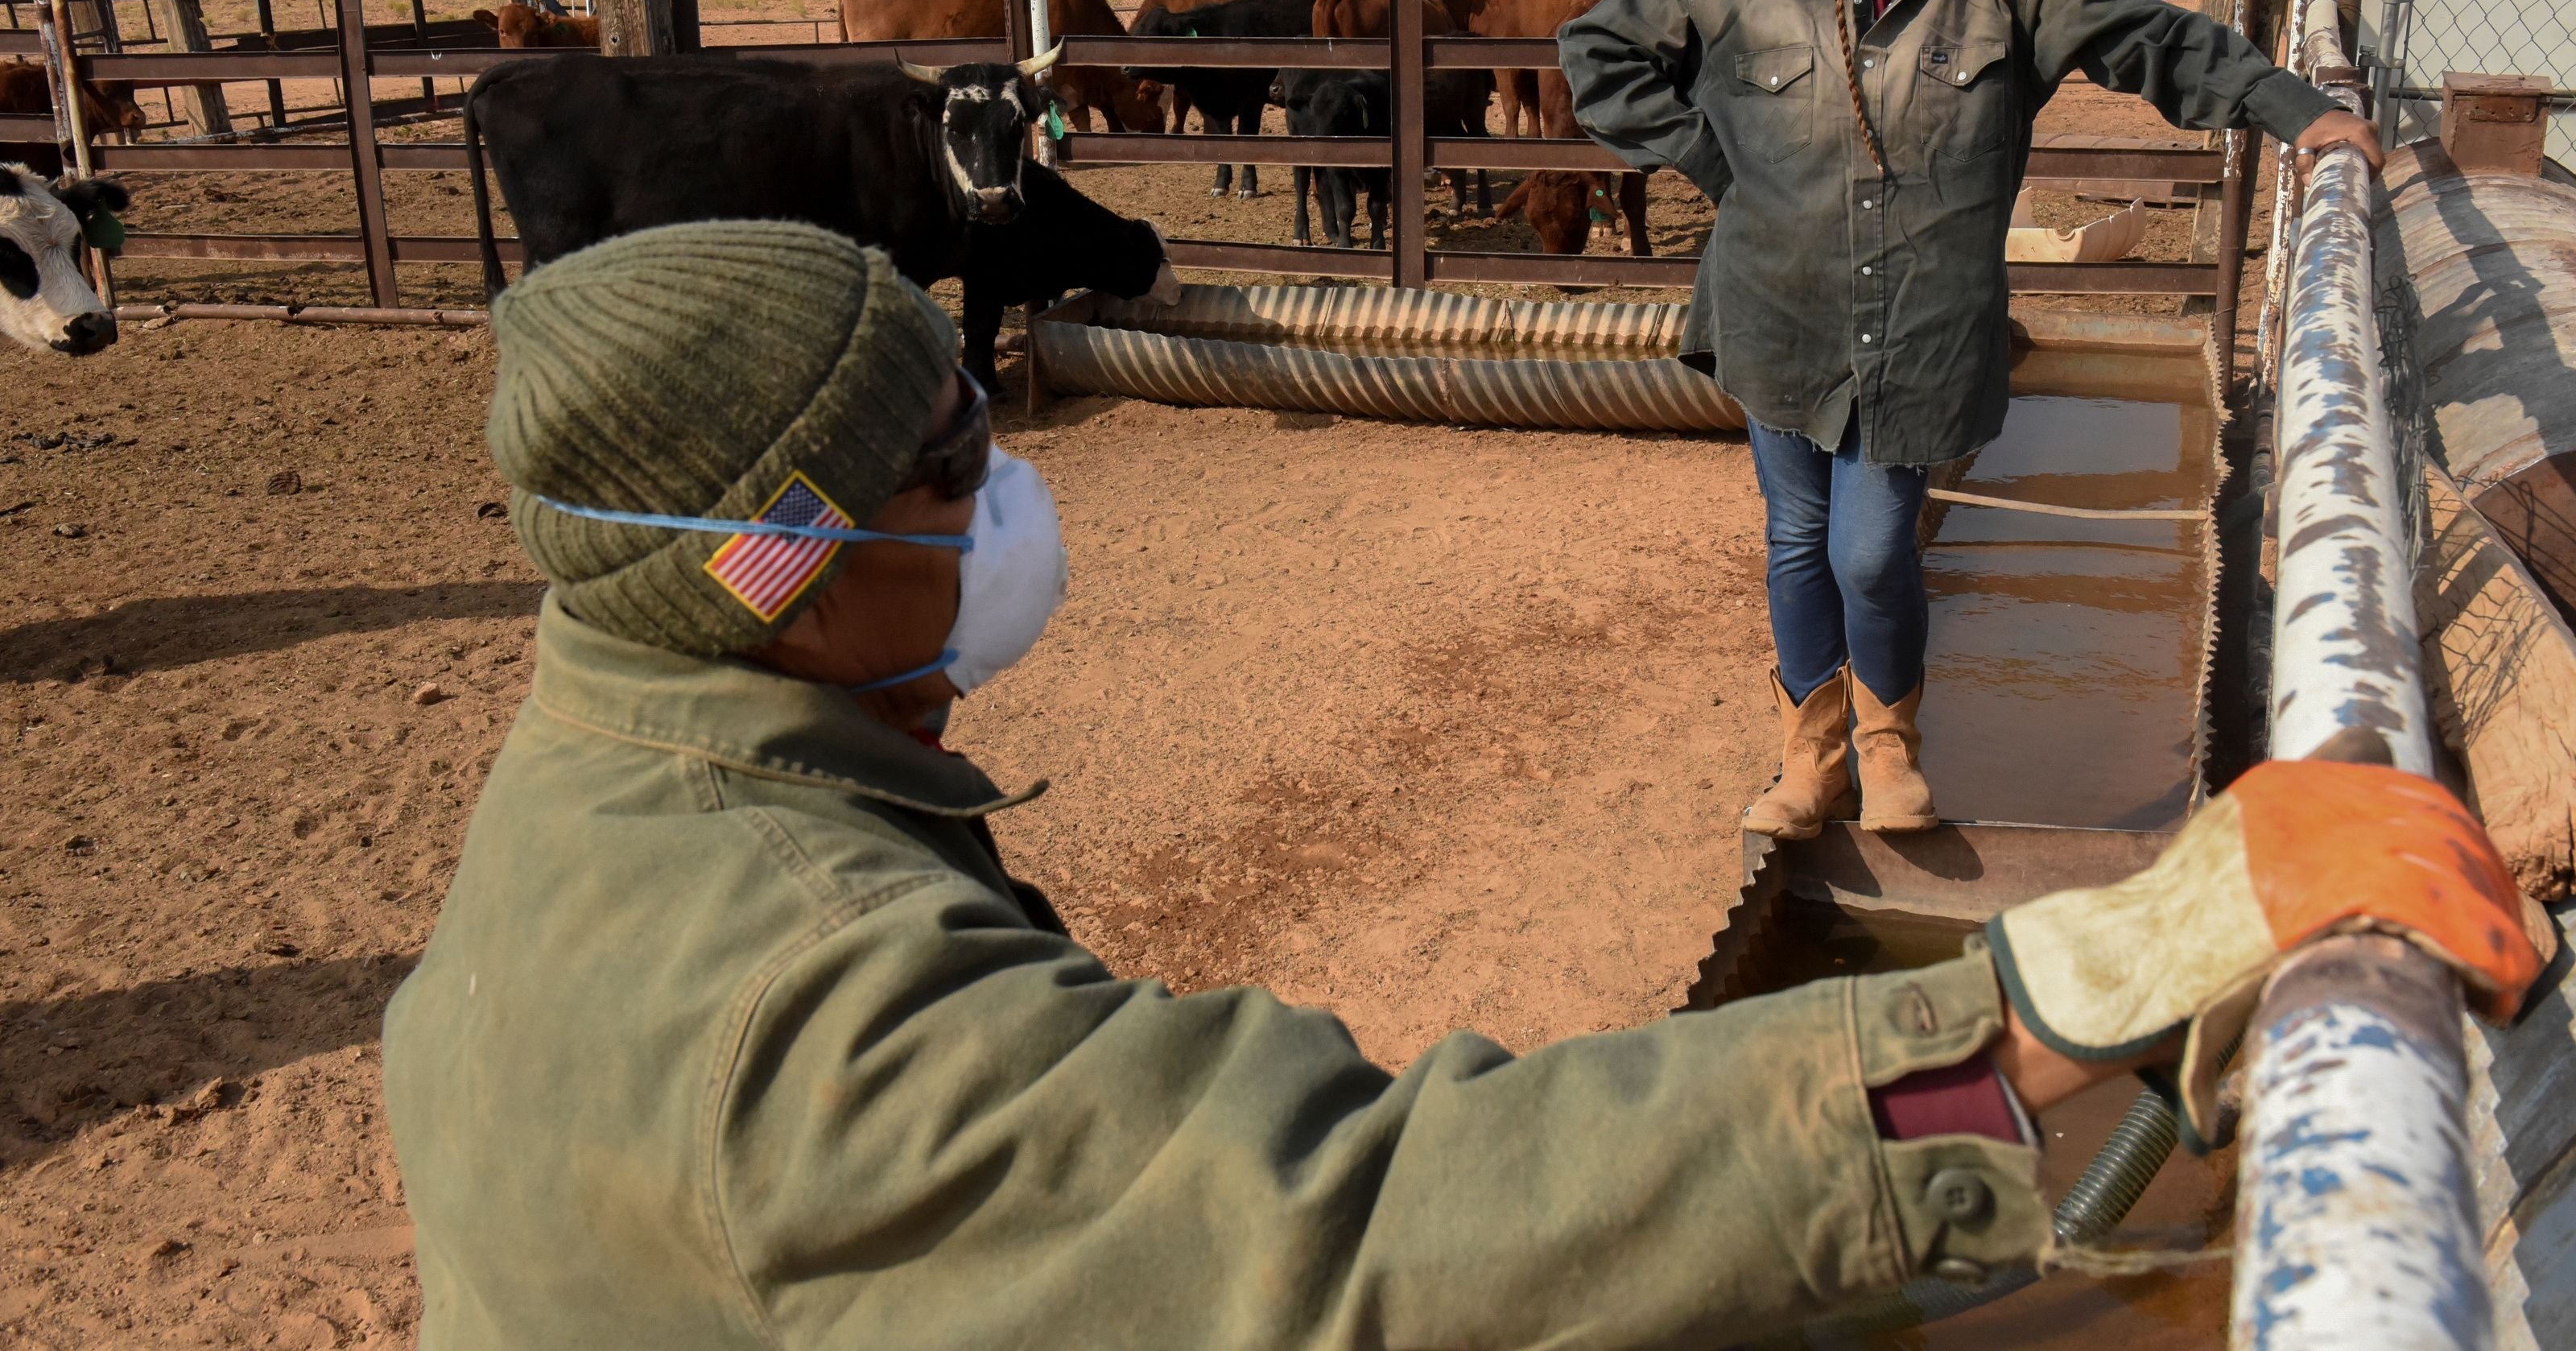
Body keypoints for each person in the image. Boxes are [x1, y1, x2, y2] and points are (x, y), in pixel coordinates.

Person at [382, 221, 2530, 1349]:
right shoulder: (804, 992)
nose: (1012, 492)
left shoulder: (592, 783)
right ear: (785, 556)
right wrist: (2071, 986)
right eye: (952, 471)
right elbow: (1353, 1226)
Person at [1559, 0, 2384, 840]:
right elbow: (1595, 49)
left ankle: (1890, 740)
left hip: (1926, 327)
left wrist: (2296, 110)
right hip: (1775, 312)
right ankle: (1812, 758)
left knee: (1870, 546)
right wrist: (1716, 158)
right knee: (1798, 539)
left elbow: (2157, 42)